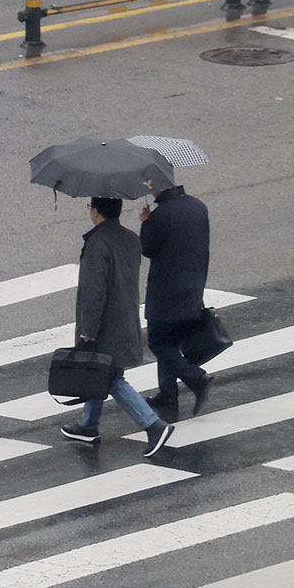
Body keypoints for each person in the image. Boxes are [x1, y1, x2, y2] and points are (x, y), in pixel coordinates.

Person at [60, 198, 176, 458]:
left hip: (105, 325)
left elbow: (94, 292)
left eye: (90, 207)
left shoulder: (97, 244)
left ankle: (153, 425)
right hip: (125, 319)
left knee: (110, 377)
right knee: (98, 371)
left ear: (96, 212)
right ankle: (88, 425)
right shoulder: (130, 238)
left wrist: (88, 330)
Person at [139, 184, 213, 417]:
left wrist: (146, 222)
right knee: (170, 342)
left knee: (158, 343)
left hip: (166, 290)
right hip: (193, 284)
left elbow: (148, 248)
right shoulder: (198, 206)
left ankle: (197, 378)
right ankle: (167, 396)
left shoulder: (161, 215)